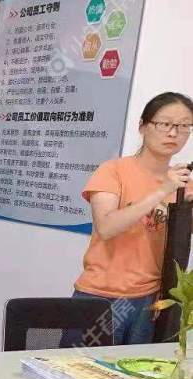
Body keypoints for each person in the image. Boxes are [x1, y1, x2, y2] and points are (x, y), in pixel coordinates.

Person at [74, 92, 193, 344]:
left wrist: (185, 207)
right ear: (143, 126)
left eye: (184, 126)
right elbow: (106, 227)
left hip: (151, 300)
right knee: (84, 367)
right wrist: (162, 190)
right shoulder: (113, 171)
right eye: (165, 124)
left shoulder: (184, 185)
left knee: (137, 368)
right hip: (102, 295)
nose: (174, 133)